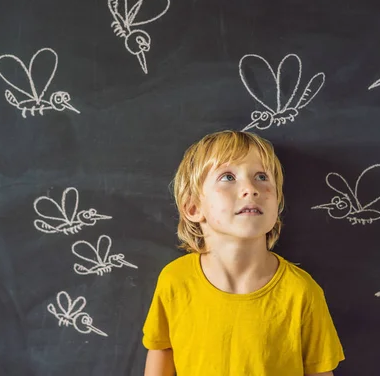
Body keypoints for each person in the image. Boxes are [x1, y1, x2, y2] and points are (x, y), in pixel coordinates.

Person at [142, 130, 345, 375]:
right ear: (194, 207)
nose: (250, 189)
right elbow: (161, 349)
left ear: (277, 204)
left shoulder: (301, 292)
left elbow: (319, 371)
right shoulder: (175, 281)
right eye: (228, 177)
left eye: (261, 176)